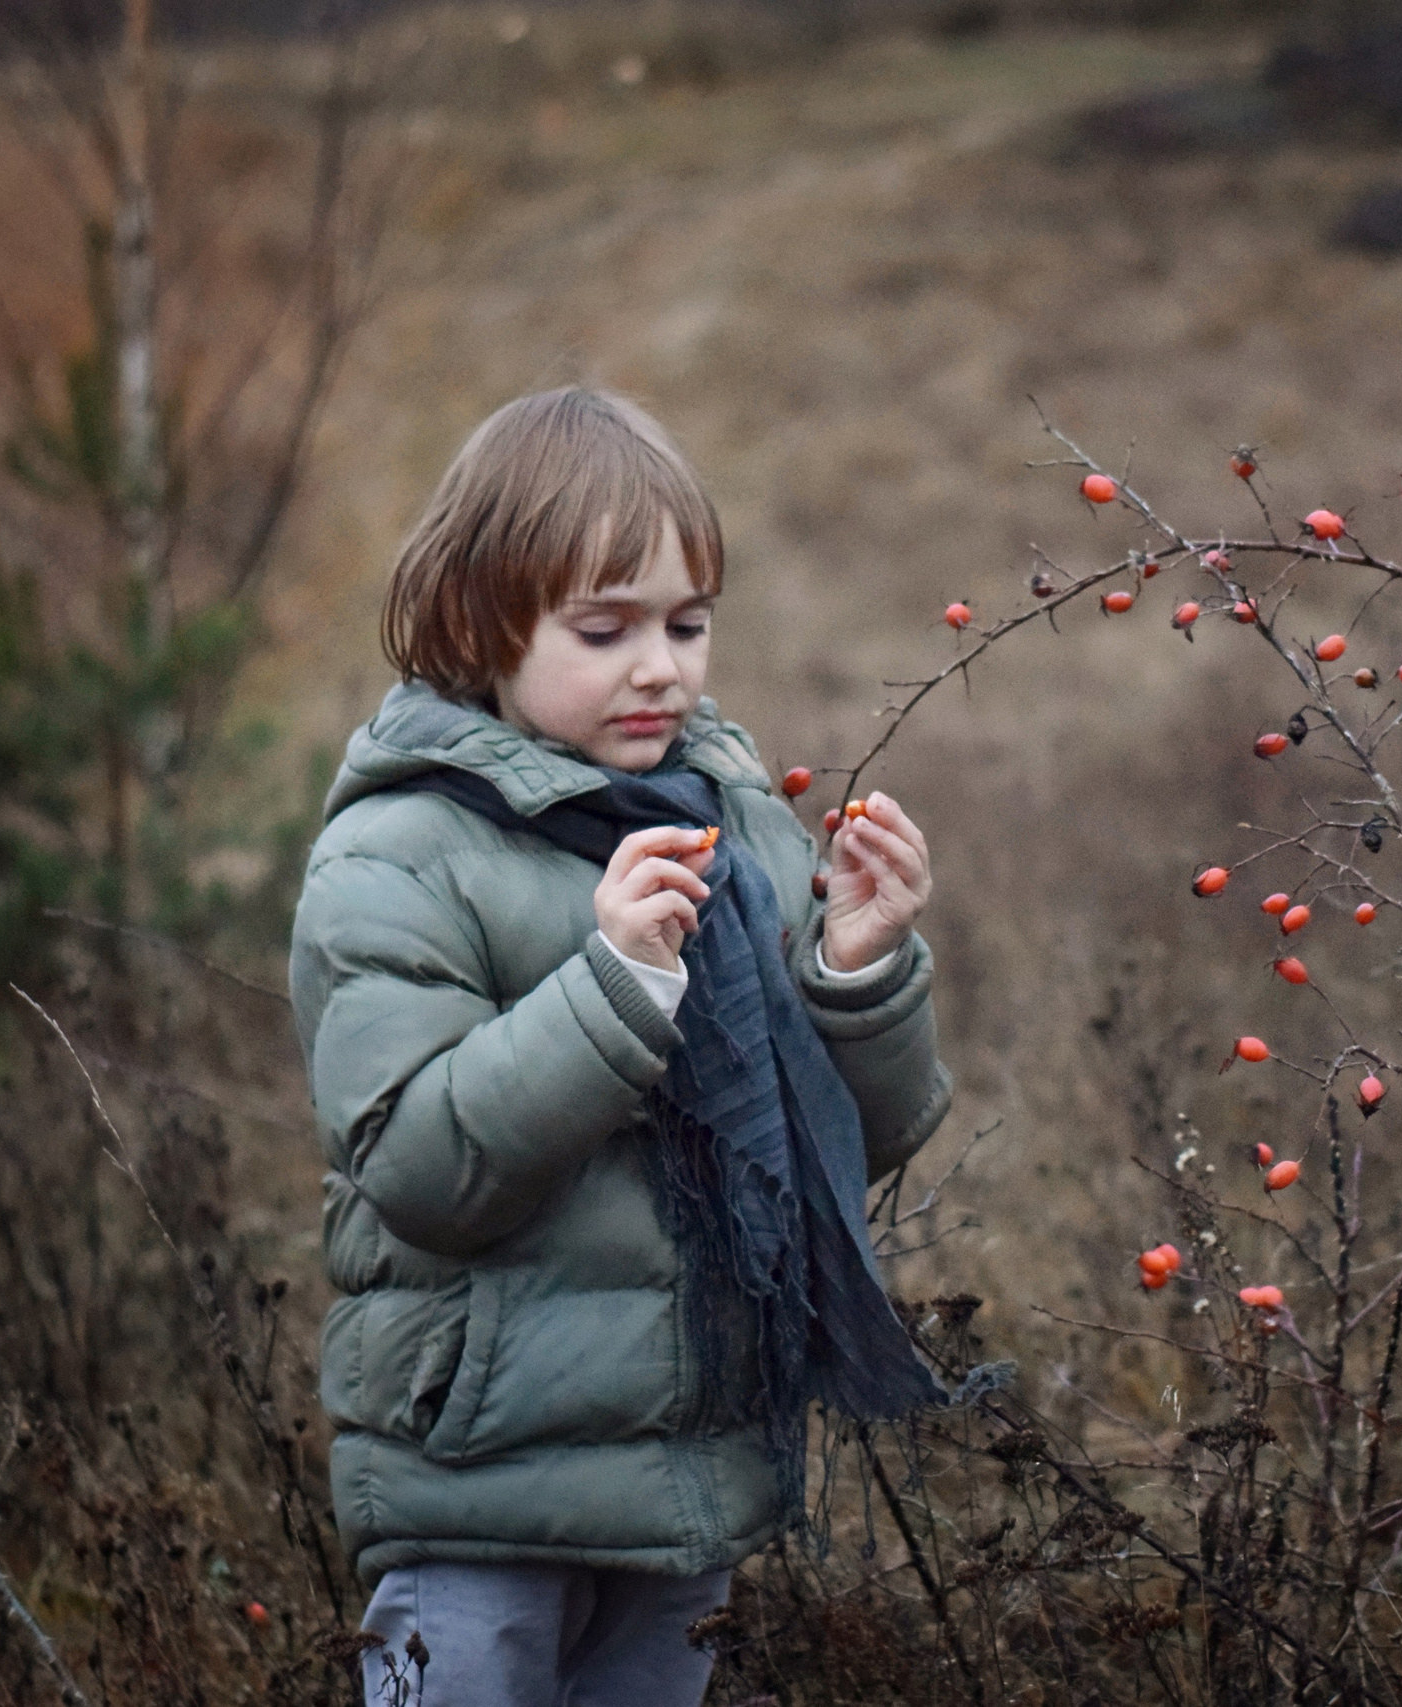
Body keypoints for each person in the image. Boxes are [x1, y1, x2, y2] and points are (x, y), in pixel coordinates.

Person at [287, 387, 952, 1705]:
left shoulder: (733, 826)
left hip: (688, 1473)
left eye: (687, 623)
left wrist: (857, 969)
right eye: (605, 630)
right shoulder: (398, 855)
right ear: (478, 624)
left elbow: (845, 1147)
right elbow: (421, 1169)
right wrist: (613, 992)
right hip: (479, 1480)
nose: (660, 667)